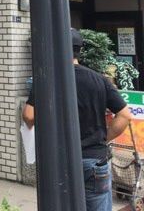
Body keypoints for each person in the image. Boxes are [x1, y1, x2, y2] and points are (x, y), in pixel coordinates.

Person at [22, 28, 133, 211]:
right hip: (93, 159)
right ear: (79, 50)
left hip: (59, 158)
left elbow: (28, 115)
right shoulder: (99, 79)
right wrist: (103, 138)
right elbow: (125, 115)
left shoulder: (46, 79)